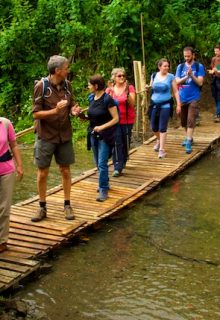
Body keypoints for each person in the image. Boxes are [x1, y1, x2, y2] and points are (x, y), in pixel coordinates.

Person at [32, 55, 81, 222]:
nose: (68, 70)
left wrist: (74, 111)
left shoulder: (68, 86)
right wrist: (54, 111)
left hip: (64, 135)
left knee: (66, 170)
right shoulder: (41, 86)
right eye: (66, 68)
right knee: (43, 172)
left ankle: (67, 204)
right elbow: (36, 113)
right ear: (57, 70)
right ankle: (42, 207)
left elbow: (72, 105)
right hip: (46, 136)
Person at [87, 74, 119, 201]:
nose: (88, 87)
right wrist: (80, 115)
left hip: (105, 135)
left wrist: (102, 127)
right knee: (97, 162)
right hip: (93, 134)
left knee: (102, 163)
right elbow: (91, 117)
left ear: (95, 86)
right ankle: (104, 182)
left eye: (89, 84)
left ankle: (103, 189)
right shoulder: (91, 98)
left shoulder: (108, 99)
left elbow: (116, 119)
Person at [146, 58, 181, 159]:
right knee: (153, 127)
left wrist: (178, 104)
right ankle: (158, 140)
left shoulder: (171, 77)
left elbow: (175, 91)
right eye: (165, 66)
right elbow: (151, 86)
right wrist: (148, 87)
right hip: (154, 104)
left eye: (168, 66)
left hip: (165, 105)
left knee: (162, 127)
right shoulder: (154, 75)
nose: (167, 68)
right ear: (159, 67)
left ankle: (162, 149)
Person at [106, 68, 136, 177]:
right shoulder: (109, 90)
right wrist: (110, 91)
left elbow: (132, 104)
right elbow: (105, 103)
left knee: (125, 142)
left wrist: (127, 94)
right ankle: (117, 166)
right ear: (114, 77)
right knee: (116, 142)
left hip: (127, 119)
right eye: (119, 76)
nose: (122, 77)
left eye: (123, 75)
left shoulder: (130, 88)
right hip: (114, 120)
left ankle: (123, 160)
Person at [175, 47, 205, 153]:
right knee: (183, 121)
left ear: (193, 55)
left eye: (188, 56)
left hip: (194, 97)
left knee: (191, 119)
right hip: (182, 97)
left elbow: (200, 83)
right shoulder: (180, 66)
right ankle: (189, 137)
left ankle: (188, 141)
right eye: (185, 56)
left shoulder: (199, 66)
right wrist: (186, 77)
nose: (187, 58)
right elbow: (177, 81)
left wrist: (192, 75)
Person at [0, 117, 23, 253]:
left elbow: (13, 145)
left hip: (6, 170)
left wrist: (19, 165)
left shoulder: (5, 123)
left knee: (4, 207)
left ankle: (2, 241)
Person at [208, 44, 220, 122]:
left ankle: (218, 114)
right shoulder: (214, 59)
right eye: (215, 51)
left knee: (219, 96)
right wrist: (211, 71)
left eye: (217, 51)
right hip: (215, 79)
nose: (216, 52)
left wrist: (217, 71)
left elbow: (218, 70)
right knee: (215, 96)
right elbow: (212, 69)